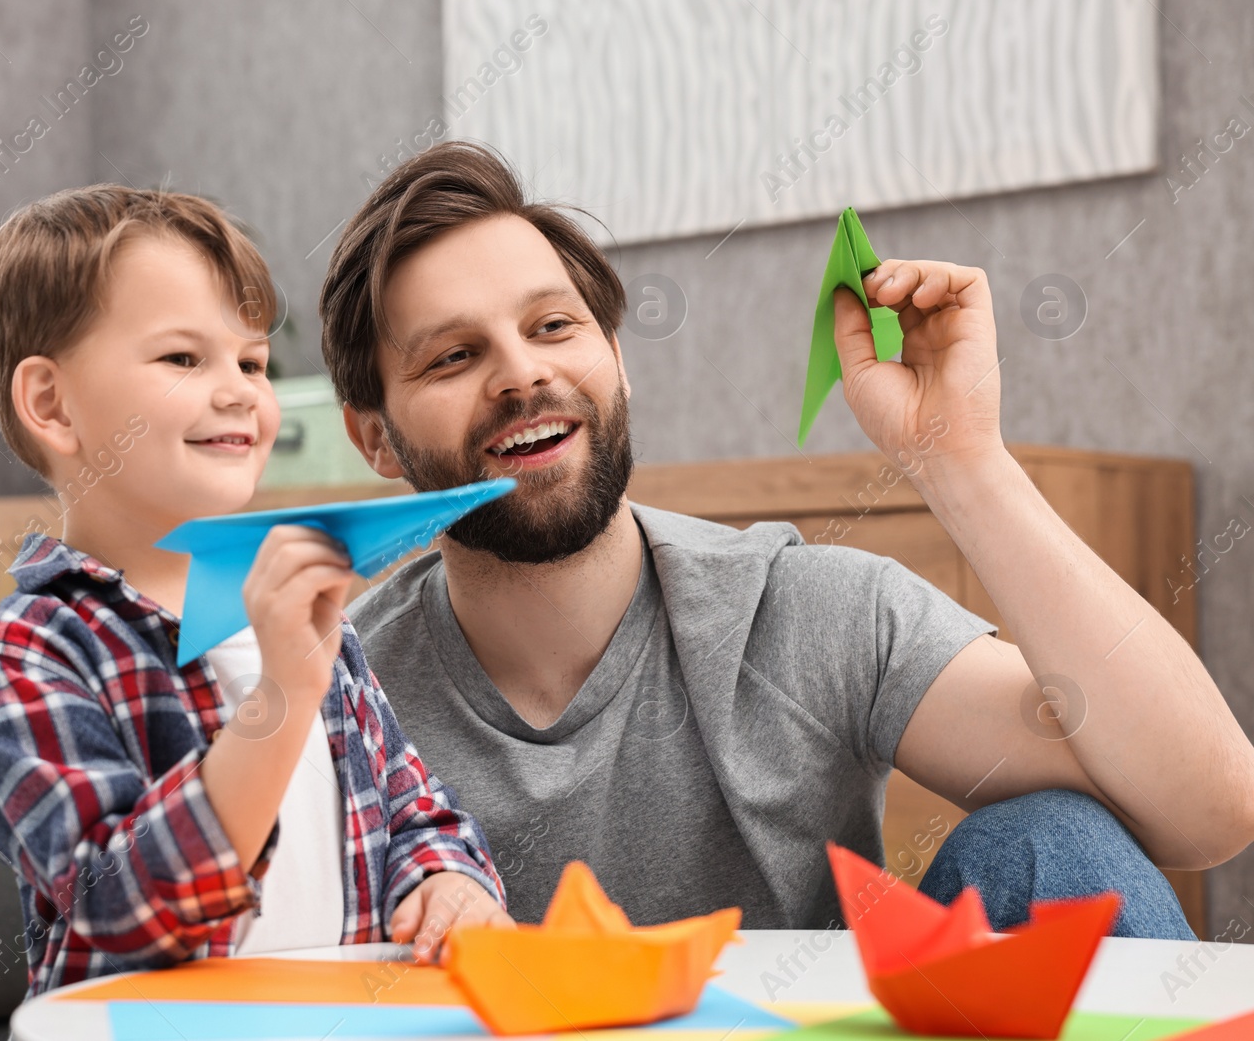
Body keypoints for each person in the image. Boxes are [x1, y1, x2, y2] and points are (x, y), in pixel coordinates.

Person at [319, 141, 1254, 937]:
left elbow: (1209, 809)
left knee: (1056, 844)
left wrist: (961, 460)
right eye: (453, 355)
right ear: (374, 439)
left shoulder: (798, 612)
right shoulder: (331, 686)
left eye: (554, 325)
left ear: (616, 361)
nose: (522, 373)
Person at [0, 184, 508, 999]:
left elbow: (417, 815)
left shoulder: (312, 624)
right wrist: (281, 698)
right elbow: (112, 903)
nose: (241, 389)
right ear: (52, 403)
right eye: (184, 357)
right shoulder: (25, 654)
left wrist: (446, 883)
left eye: (252, 361)